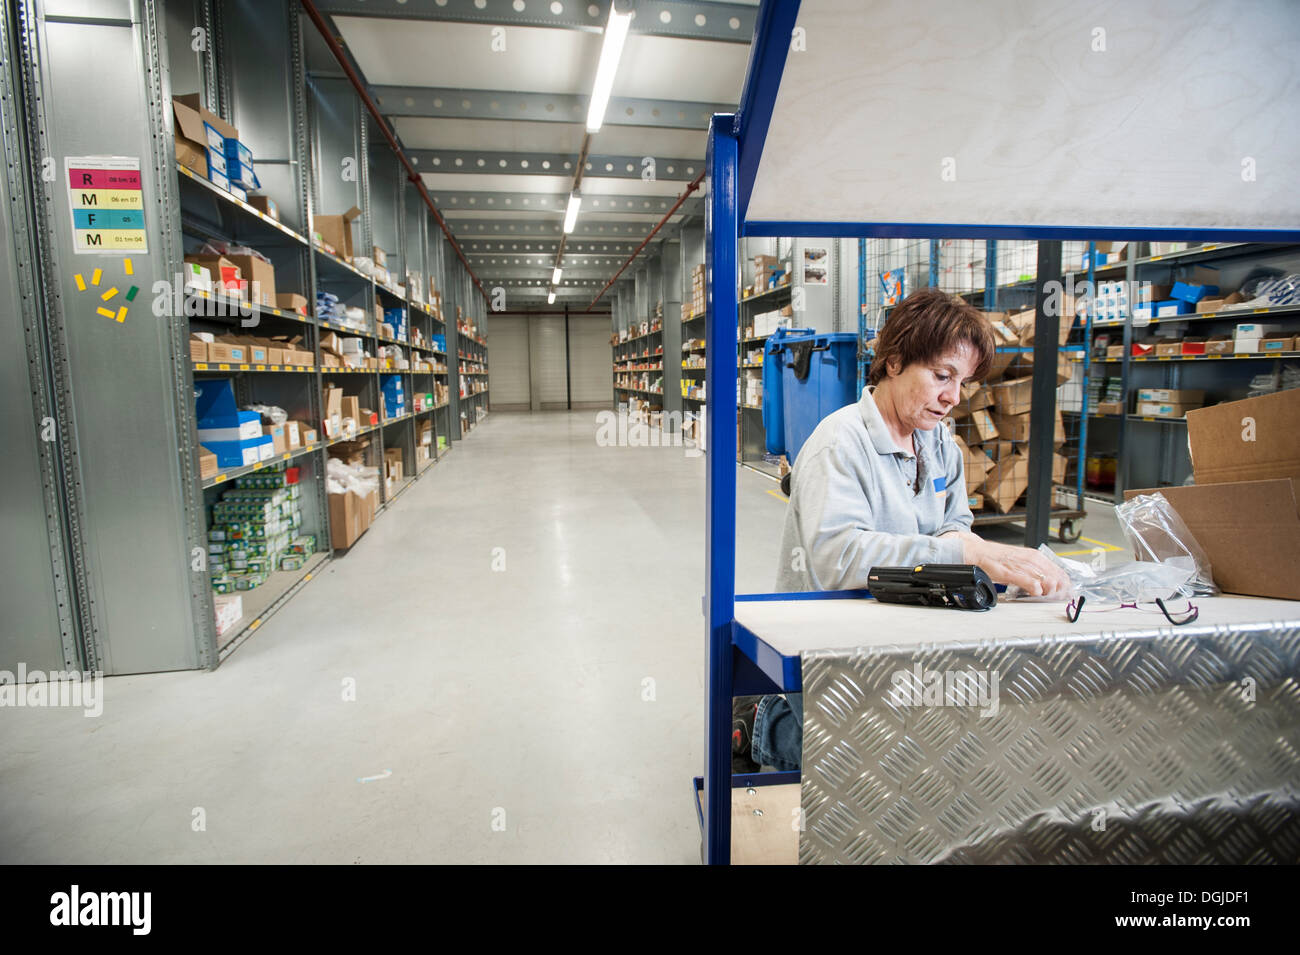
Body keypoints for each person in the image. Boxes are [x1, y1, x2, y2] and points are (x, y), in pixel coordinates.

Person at [735, 287, 1071, 773]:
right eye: (941, 375)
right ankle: (766, 723)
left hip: (912, 620)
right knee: (860, 764)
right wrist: (959, 554)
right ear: (893, 362)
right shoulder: (839, 445)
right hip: (832, 632)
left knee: (949, 746)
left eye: (963, 382)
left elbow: (958, 525)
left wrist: (970, 551)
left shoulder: (940, 444)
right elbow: (840, 560)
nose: (953, 397)